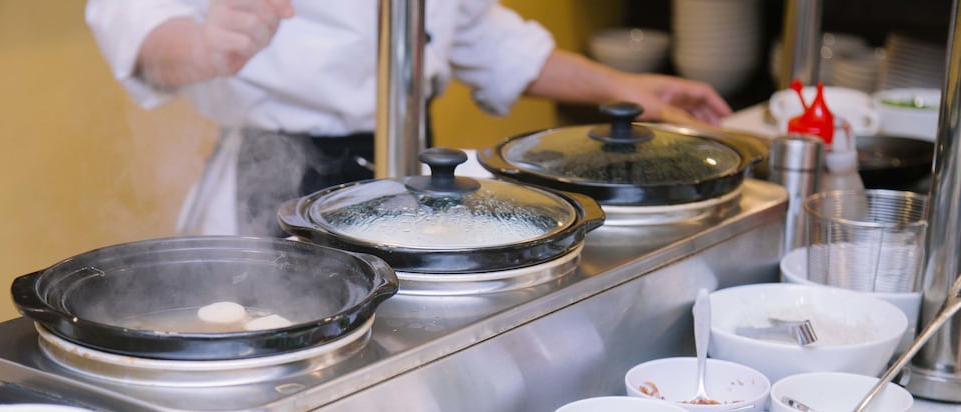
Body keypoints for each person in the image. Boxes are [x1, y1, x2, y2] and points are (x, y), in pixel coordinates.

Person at [86, 1, 732, 236]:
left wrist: (621, 86)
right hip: (275, 186)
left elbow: (479, 33)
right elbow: (137, 20)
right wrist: (206, 46)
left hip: (416, 175)